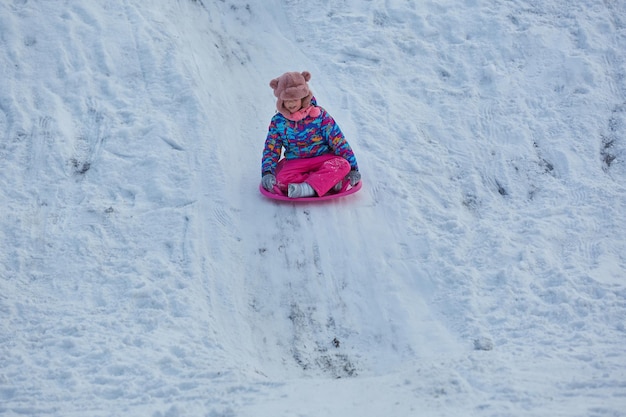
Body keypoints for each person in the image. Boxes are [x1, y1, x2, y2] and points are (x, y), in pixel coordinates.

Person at [261, 71, 361, 198]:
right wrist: (267, 172)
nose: (291, 104)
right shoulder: (278, 122)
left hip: (323, 158)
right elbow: (271, 148)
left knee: (343, 165)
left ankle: (305, 188)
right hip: (296, 162)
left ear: (303, 97)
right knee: (279, 180)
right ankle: (328, 182)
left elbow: (338, 141)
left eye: (295, 99)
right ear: (281, 100)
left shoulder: (320, 116)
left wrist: (353, 168)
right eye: (287, 100)